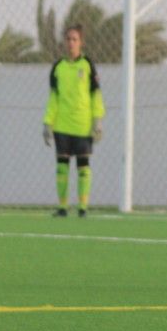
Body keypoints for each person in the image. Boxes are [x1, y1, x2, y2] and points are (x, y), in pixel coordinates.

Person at [43, 23, 105, 216]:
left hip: (83, 125)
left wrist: (98, 121)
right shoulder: (58, 68)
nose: (71, 43)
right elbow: (53, 98)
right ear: (64, 42)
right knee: (62, 167)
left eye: (74, 39)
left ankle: (83, 207)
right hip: (62, 125)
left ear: (81, 42)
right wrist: (48, 123)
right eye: (68, 39)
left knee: (83, 167)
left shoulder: (87, 66)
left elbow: (96, 95)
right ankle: (62, 207)